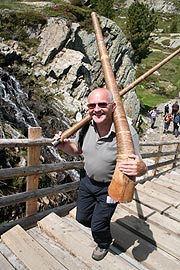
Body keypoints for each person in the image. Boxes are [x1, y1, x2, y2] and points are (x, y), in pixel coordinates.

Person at [53, 88, 147, 261]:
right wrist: (64, 146)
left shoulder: (126, 133)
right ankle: (100, 225)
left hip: (110, 188)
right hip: (87, 182)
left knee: (97, 224)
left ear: (113, 107)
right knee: (81, 218)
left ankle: (103, 243)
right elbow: (77, 150)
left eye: (102, 104)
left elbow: (139, 165)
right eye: (92, 105)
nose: (97, 109)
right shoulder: (85, 127)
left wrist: (141, 168)